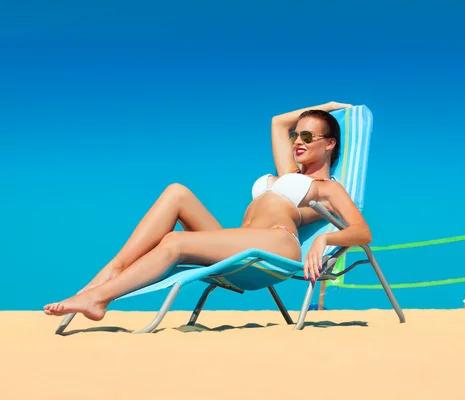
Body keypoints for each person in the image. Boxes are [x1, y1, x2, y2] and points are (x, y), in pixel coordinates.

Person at [44, 101, 372, 322]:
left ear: (329, 144)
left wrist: (323, 239)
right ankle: (113, 272)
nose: (297, 141)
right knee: (177, 192)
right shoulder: (289, 173)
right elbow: (277, 122)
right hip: (243, 242)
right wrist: (328, 107)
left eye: (307, 136)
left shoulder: (330, 188)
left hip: (276, 245)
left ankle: (99, 299)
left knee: (175, 242)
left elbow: (362, 231)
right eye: (295, 136)